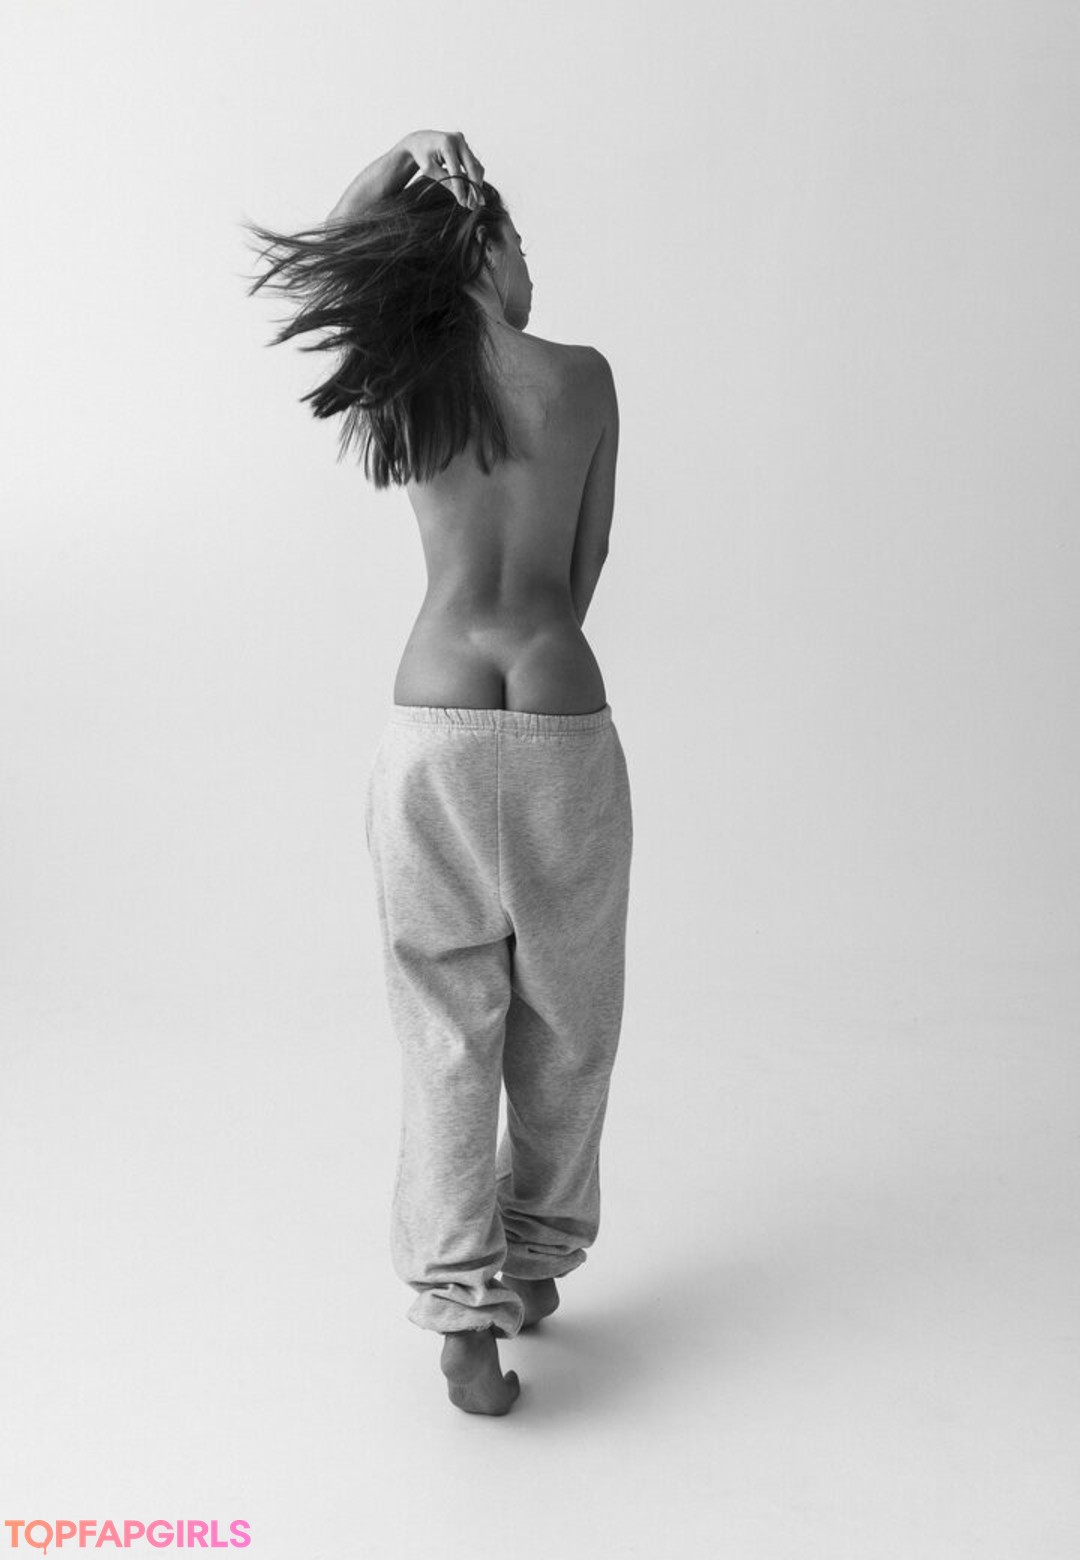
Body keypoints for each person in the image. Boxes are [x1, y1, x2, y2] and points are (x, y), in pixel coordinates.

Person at [243, 129, 633, 1415]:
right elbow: (583, 569)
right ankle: (536, 1259)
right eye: (522, 245)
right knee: (569, 1016)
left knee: (446, 1022)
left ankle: (463, 1315)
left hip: (433, 722)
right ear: (484, 243)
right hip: (559, 707)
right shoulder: (584, 379)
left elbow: (335, 257)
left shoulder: (410, 379)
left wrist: (399, 156)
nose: (532, 271)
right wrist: (542, 677)